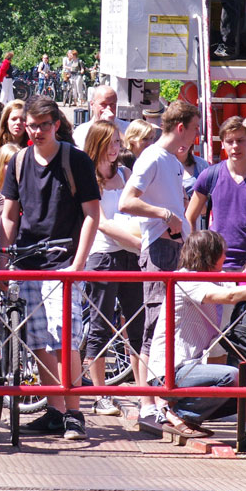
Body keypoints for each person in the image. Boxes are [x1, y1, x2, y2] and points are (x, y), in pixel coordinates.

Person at [1, 96, 101, 439]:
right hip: (29, 260)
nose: (39, 131)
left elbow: (92, 215)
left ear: (56, 124)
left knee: (66, 340)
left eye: (45, 124)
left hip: (64, 261)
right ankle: (55, 409)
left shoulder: (76, 160)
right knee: (39, 340)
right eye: (33, 125)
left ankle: (75, 413)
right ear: (25, 126)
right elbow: (10, 215)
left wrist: (78, 263)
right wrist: (4, 258)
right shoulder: (17, 162)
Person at [145, 230, 246, 435]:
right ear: (210, 255)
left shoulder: (213, 277)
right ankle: (179, 414)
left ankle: (184, 414)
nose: (226, 257)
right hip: (171, 369)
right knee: (232, 376)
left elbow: (241, 285)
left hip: (189, 368)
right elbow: (230, 296)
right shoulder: (186, 280)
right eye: (222, 253)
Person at [118, 99, 198, 359]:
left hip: (175, 248)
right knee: (155, 328)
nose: (197, 134)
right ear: (180, 127)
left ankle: (160, 395)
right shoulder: (152, 156)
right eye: (195, 127)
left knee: (169, 329)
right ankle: (149, 399)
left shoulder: (172, 161)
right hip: (160, 250)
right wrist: (165, 214)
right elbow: (126, 202)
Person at [80, 121, 147, 418]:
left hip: (131, 257)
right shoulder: (91, 179)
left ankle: (145, 394)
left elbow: (138, 207)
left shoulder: (125, 173)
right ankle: (100, 393)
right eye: (109, 143)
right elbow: (102, 222)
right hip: (103, 256)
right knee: (100, 326)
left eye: (117, 143)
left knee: (139, 326)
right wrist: (138, 241)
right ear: (96, 145)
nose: (114, 149)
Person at [186, 116, 246, 270]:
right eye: (229, 141)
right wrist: (195, 253)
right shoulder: (210, 175)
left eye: (240, 141)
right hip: (215, 263)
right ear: (223, 144)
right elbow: (190, 217)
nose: (235, 146)